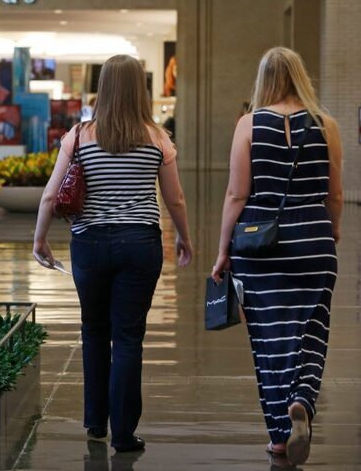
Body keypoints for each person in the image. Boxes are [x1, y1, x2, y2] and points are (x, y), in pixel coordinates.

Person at [33, 54, 193, 452]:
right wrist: (185, 238)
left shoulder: (79, 135)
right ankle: (123, 433)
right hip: (140, 244)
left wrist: (39, 239)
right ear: (141, 88)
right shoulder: (157, 137)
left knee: (94, 331)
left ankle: (94, 423)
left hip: (89, 245)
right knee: (127, 338)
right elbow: (175, 198)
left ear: (103, 87)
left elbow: (52, 194)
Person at [211, 47, 343, 465]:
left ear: (263, 79)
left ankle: (280, 437)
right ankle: (302, 399)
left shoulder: (248, 125)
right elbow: (334, 193)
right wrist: (332, 229)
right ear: (301, 76)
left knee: (269, 340)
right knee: (311, 331)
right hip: (313, 241)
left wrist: (222, 250)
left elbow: (236, 194)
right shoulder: (327, 125)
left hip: (259, 245)